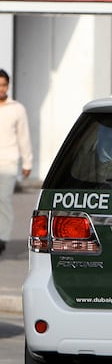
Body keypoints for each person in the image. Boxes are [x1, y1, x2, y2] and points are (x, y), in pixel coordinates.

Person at [0, 68, 32, 256]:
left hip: (9, 160)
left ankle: (2, 238)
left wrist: (27, 162)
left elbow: (24, 137)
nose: (1, 89)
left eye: (4, 85)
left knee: (2, 199)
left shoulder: (17, 108)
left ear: (8, 86)